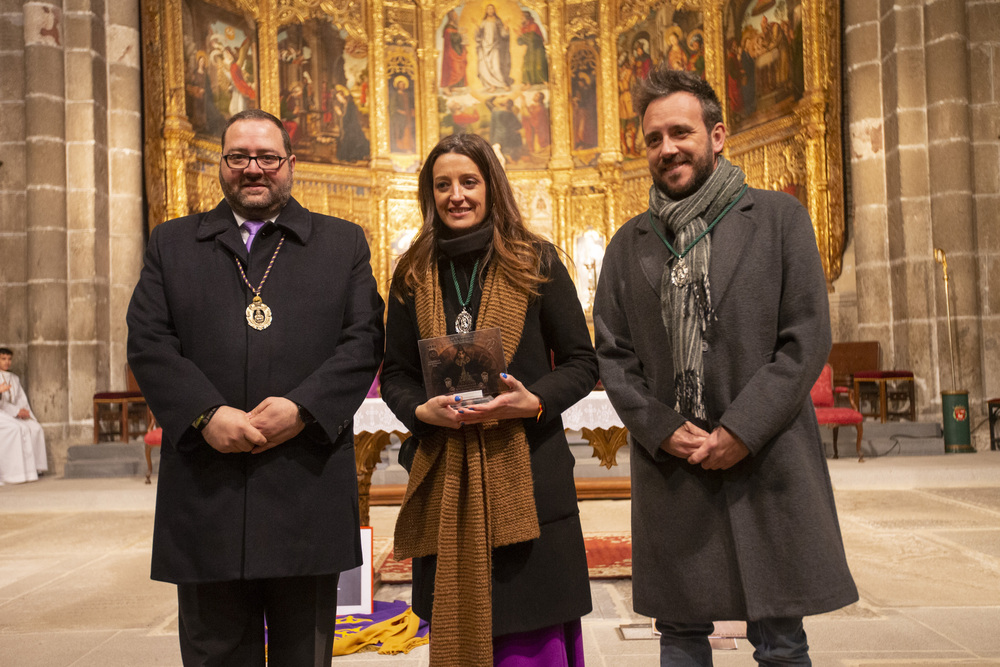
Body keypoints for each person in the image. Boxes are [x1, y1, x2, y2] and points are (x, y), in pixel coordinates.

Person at [593, 67, 858, 665]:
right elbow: (614, 355)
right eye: (654, 139)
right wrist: (661, 427)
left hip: (764, 455)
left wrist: (741, 429)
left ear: (717, 136)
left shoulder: (778, 219)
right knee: (680, 637)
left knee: (781, 638)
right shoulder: (628, 243)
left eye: (681, 132)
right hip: (674, 466)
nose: (667, 149)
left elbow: (805, 338)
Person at [126, 109, 385, 666]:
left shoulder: (341, 244)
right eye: (239, 157)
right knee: (214, 652)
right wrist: (204, 413)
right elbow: (148, 340)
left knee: (303, 654)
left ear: (290, 164)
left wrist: (304, 407)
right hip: (206, 486)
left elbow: (363, 339)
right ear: (220, 165)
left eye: (267, 157)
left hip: (304, 486)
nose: (253, 169)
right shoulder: (173, 245)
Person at [381, 132, 596, 666]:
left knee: (530, 637)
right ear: (429, 195)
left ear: (492, 188)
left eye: (469, 182)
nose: (456, 195)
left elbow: (582, 361)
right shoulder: (412, 274)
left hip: (528, 471)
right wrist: (418, 410)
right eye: (443, 184)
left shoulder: (536, 261)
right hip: (446, 476)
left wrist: (535, 401)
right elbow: (397, 374)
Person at [0, 347, 47, 485]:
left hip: (14, 413)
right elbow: (3, 404)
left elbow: (21, 399)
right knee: (18, 429)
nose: (7, 362)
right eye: (3, 359)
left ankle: (33, 468)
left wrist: (25, 412)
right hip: (5, 413)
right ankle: (14, 473)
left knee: (36, 428)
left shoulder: (14, 378)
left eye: (9, 359)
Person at [475, 4, 512, 92]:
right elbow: (479, 34)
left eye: (492, 9)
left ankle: (502, 84)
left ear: (494, 11)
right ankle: (492, 86)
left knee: (496, 66)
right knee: (486, 66)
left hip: (495, 46)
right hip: (485, 46)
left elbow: (503, 34)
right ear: (486, 11)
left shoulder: (497, 21)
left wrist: (506, 27)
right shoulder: (483, 22)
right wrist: (477, 27)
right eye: (488, 9)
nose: (490, 11)